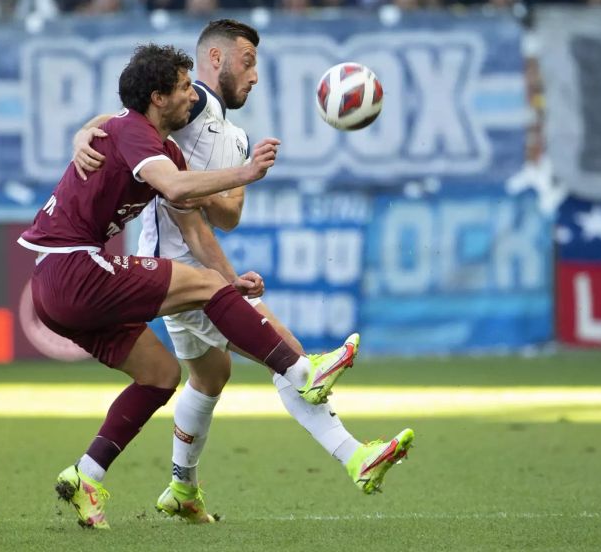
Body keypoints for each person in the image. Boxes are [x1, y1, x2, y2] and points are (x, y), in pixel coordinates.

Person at [72, 19, 415, 523]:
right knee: (291, 357)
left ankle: (182, 490)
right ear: (215, 59)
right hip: (181, 275)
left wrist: (221, 178)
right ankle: (355, 456)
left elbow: (228, 215)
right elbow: (128, 115)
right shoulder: (195, 104)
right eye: (248, 62)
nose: (255, 76)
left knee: (211, 375)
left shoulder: (235, 134)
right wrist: (86, 130)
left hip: (192, 271)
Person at [20, 43, 360, 530]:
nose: (190, 97)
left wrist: (230, 282)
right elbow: (177, 189)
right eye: (182, 88)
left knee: (160, 375)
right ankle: (301, 371)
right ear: (158, 98)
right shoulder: (133, 132)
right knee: (198, 292)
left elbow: (195, 229)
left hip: (54, 287)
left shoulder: (163, 146)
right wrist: (246, 173)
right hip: (71, 267)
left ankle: (85, 475)